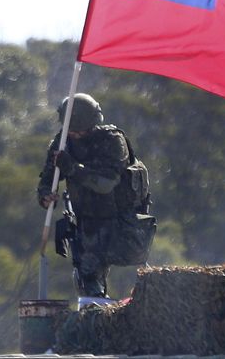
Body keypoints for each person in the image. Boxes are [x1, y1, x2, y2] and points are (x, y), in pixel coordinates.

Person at [37, 92, 150, 299]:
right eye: (71, 130)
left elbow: (106, 183)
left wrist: (72, 168)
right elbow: (47, 179)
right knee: (86, 275)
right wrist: (46, 196)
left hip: (120, 221)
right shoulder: (62, 143)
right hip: (85, 221)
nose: (75, 135)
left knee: (139, 265)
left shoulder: (112, 141)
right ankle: (95, 313)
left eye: (79, 131)